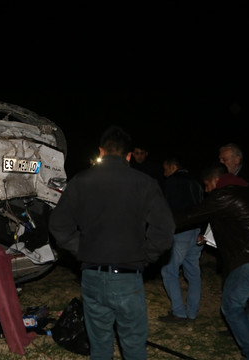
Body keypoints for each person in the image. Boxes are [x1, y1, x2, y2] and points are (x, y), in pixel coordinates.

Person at [49, 125, 175, 360]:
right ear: (128, 155)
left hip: (93, 276)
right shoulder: (145, 183)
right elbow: (165, 229)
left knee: (99, 347)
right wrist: (144, 255)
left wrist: (83, 250)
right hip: (128, 277)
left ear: (101, 151)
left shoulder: (81, 181)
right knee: (134, 345)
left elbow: (58, 225)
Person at [174, 162, 249, 360]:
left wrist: (159, 223)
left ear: (215, 180)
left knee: (231, 307)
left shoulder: (225, 194)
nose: (207, 191)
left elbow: (191, 215)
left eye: (206, 186)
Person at [158, 156, 205, 323]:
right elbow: (204, 207)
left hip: (180, 231)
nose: (164, 173)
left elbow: (168, 208)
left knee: (169, 271)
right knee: (193, 272)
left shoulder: (172, 182)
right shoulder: (197, 183)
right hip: (197, 231)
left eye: (165, 169)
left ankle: (179, 312)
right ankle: (192, 312)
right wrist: (203, 231)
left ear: (173, 166)